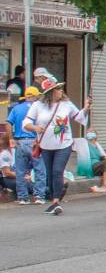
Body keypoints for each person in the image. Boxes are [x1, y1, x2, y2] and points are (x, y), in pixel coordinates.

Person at [22, 76, 91, 216]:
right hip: (45, 145)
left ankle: (55, 201)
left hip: (64, 143)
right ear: (50, 92)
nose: (60, 91)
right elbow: (26, 123)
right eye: (57, 89)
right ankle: (54, 201)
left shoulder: (66, 104)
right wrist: (35, 128)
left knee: (57, 171)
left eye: (59, 88)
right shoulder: (38, 106)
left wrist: (86, 108)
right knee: (50, 174)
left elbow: (78, 117)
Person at [6, 85, 47, 204]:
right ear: (35, 97)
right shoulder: (39, 108)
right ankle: (39, 196)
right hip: (35, 143)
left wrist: (11, 138)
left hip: (20, 142)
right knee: (39, 169)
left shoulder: (17, 108)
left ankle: (23, 198)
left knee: (20, 171)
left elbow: (8, 123)